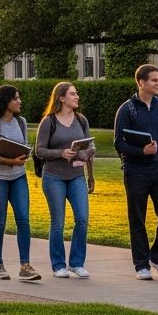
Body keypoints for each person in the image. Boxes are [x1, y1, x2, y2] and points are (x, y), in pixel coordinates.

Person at [113, 64, 158, 280]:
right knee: (137, 218)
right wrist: (141, 150)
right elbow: (118, 144)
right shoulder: (127, 109)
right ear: (141, 82)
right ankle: (141, 265)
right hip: (135, 170)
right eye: (154, 80)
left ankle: (157, 256)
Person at [0, 84, 40, 282]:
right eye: (16, 98)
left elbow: (23, 145)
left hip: (18, 177)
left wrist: (23, 155)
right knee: (0, 221)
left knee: (23, 220)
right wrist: (9, 160)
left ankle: (25, 266)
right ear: (6, 101)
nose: (19, 101)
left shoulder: (21, 122)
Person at [35, 81, 95, 278]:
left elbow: (90, 146)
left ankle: (77, 263)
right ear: (61, 98)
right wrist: (61, 153)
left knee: (82, 219)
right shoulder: (49, 121)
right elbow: (39, 150)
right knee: (58, 222)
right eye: (73, 94)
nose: (77, 97)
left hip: (77, 175)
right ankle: (58, 265)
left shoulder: (81, 120)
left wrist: (85, 156)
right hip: (54, 177)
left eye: (76, 94)